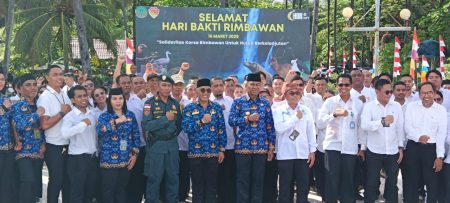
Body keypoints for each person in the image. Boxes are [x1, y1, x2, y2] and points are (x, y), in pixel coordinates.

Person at [229, 73, 276, 203]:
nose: (255, 87)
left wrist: (271, 147)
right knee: (242, 179)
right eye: (252, 84)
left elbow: (270, 126)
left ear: (261, 86)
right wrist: (247, 118)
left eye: (257, 84)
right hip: (243, 147)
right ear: (246, 85)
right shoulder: (238, 102)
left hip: (261, 148)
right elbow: (231, 121)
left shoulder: (265, 103)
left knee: (258, 179)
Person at [318, 73, 364, 203]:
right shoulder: (329, 102)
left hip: (350, 148)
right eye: (340, 84)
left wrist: (362, 146)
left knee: (348, 181)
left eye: (346, 84)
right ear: (336, 86)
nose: (343, 87)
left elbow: (360, 127)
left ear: (351, 86)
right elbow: (320, 122)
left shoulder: (358, 103)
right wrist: (334, 115)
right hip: (333, 146)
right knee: (331, 181)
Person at [182, 78, 227, 203]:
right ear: (197, 91)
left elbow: (221, 130)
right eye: (202, 90)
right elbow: (185, 128)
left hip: (213, 152)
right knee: (197, 186)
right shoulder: (189, 108)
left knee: (211, 186)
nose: (205, 92)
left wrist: (222, 149)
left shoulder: (217, 108)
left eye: (208, 90)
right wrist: (201, 122)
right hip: (195, 153)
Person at [360, 79, 405, 203]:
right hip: (374, 151)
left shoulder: (396, 106)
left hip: (392, 150)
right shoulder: (369, 106)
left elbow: (400, 128)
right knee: (371, 183)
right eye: (387, 92)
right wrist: (382, 122)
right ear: (377, 91)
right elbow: (364, 125)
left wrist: (400, 147)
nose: (390, 94)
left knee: (392, 183)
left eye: (391, 92)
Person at [403, 82, 447, 203]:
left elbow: (441, 134)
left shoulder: (441, 110)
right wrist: (418, 137)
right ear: (419, 94)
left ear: (434, 93)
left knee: (432, 183)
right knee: (411, 182)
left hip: (431, 150)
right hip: (413, 147)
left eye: (429, 92)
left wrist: (439, 156)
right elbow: (407, 127)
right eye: (423, 93)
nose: (425, 95)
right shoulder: (411, 107)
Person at [272, 83, 317, 203]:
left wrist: (312, 151)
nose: (295, 96)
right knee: (285, 187)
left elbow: (311, 131)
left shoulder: (306, 110)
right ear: (285, 95)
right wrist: (295, 118)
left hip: (303, 154)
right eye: (291, 93)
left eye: (298, 93)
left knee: (303, 187)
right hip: (285, 154)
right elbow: (279, 128)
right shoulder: (278, 110)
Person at [97, 88, 140, 203]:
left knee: (122, 189)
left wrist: (135, 155)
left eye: (120, 98)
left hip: (125, 159)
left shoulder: (130, 115)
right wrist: (116, 122)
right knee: (108, 190)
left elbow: (136, 135)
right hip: (108, 160)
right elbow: (100, 131)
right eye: (114, 98)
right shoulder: (104, 116)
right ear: (109, 100)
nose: (118, 101)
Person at [143, 75, 182, 203]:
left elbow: (179, 125)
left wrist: (171, 135)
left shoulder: (175, 103)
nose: (166, 88)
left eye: (169, 86)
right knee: (154, 178)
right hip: (156, 145)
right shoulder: (149, 103)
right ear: (158, 86)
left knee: (173, 178)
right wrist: (165, 119)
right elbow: (146, 125)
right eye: (164, 85)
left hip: (172, 145)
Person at [37, 65, 72, 203]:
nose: (59, 77)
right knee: (56, 181)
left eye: (61, 74)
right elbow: (44, 125)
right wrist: (62, 113)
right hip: (54, 146)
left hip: (68, 144)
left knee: (67, 181)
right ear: (47, 77)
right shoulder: (45, 97)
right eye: (55, 74)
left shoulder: (63, 93)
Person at [11, 74, 45, 203]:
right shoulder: (17, 106)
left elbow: (41, 128)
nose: (33, 88)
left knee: (35, 186)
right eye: (28, 85)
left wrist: (43, 144)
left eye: (34, 84)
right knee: (27, 181)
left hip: (38, 152)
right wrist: (36, 114)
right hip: (23, 151)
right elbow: (20, 126)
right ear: (19, 89)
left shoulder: (39, 104)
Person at [61, 85, 99, 203]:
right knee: (77, 193)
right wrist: (82, 124)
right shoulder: (70, 116)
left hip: (93, 158)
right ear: (73, 100)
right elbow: (65, 133)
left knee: (90, 192)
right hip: (78, 160)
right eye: (79, 96)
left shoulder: (92, 113)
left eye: (84, 95)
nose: (83, 98)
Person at [209, 77, 236, 203]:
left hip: (230, 145)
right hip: (212, 146)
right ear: (211, 88)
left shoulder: (231, 101)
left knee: (228, 176)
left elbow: (235, 123)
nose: (219, 87)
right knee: (213, 177)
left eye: (221, 85)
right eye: (215, 86)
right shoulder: (206, 101)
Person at [0, 71, 14, 203]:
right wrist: (4, 108)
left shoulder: (6, 98)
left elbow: (12, 122)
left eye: (2, 79)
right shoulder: (5, 102)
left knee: (6, 180)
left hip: (8, 145)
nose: (1, 82)